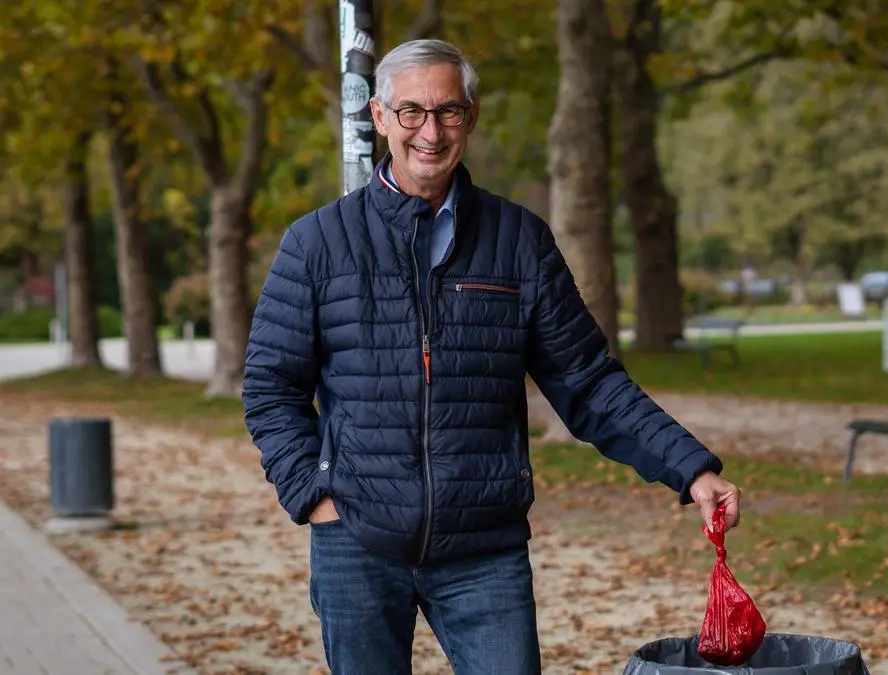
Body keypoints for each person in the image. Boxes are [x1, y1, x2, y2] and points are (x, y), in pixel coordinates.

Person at [242, 39, 741, 674]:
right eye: (412, 112)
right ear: (378, 116)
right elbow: (269, 387)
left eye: (449, 111)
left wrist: (691, 468)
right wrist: (314, 495)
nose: (431, 130)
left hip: (484, 548)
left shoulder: (519, 241)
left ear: (470, 118)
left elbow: (588, 381)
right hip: (358, 541)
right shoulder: (316, 243)